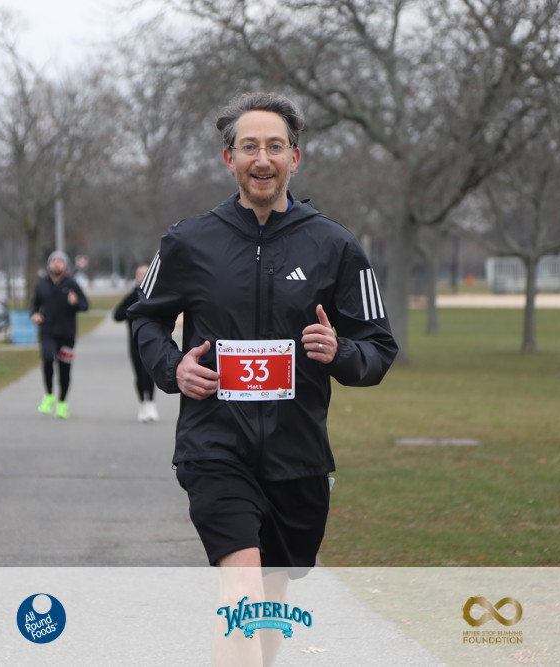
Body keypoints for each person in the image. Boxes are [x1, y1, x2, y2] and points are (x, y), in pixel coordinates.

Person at [128, 91, 397, 664]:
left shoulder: (335, 245)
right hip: (214, 447)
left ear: (294, 158)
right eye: (249, 146)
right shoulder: (188, 242)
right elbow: (145, 319)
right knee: (243, 591)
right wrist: (172, 366)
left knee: (270, 601)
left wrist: (340, 350)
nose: (262, 158)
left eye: (275, 146)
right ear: (229, 159)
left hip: (297, 456)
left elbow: (378, 347)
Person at [31, 250, 89, 419]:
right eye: (54, 261)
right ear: (49, 265)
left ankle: (62, 403)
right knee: (48, 359)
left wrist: (75, 302)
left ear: (65, 265)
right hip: (47, 331)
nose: (57, 264)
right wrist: (34, 314)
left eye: (60, 261)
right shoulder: (42, 284)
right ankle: (49, 395)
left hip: (67, 334)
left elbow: (85, 305)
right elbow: (34, 304)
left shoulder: (72, 284)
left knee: (65, 370)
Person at [113, 264, 159, 423]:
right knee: (139, 374)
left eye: (146, 273)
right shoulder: (132, 296)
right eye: (140, 274)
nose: (143, 276)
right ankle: (142, 404)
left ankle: (151, 404)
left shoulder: (156, 295)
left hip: (152, 341)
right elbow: (117, 315)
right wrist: (132, 312)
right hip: (134, 341)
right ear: (136, 277)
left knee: (149, 372)